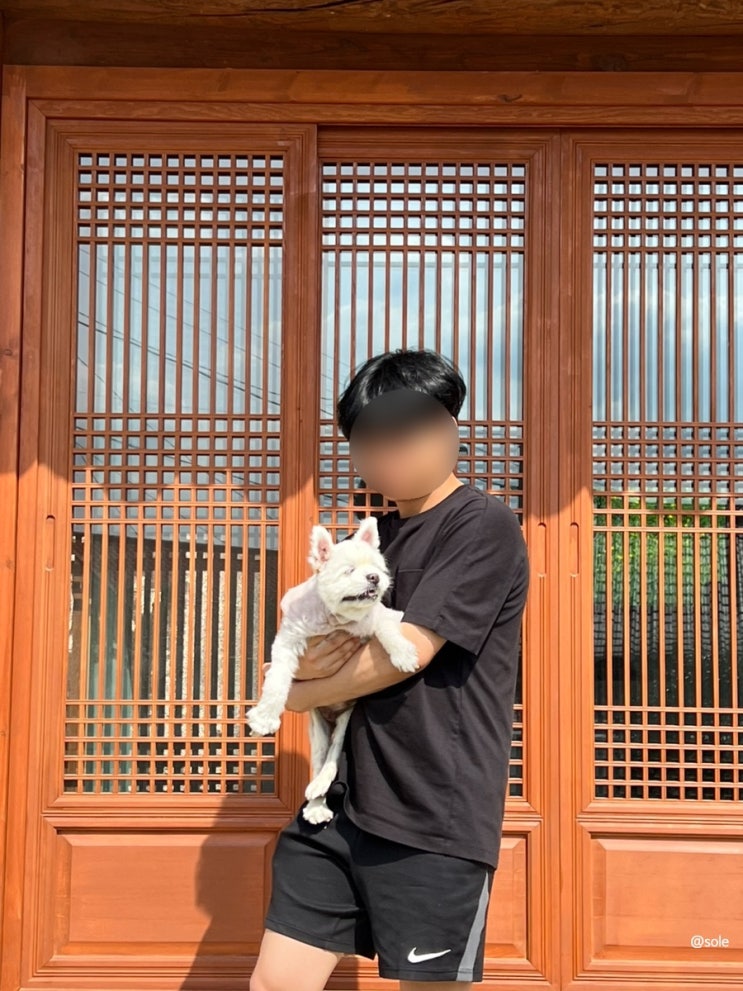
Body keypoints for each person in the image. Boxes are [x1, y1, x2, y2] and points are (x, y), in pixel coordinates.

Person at [251, 348, 530, 991]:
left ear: (449, 429)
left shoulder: (481, 524)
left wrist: (300, 697)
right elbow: (310, 634)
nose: (387, 451)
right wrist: (296, 673)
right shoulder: (372, 540)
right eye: (370, 438)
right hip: (335, 805)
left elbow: (406, 651)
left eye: (406, 431)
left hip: (431, 811)